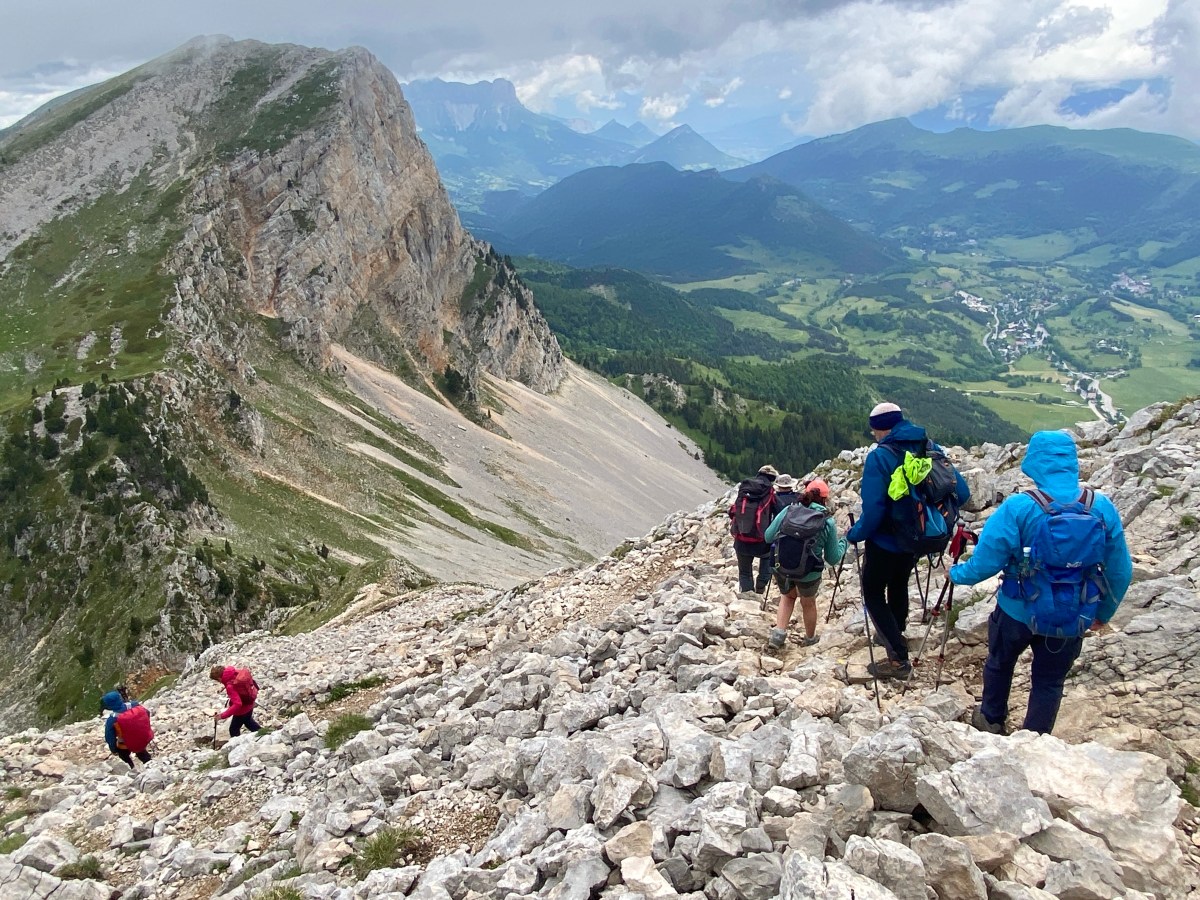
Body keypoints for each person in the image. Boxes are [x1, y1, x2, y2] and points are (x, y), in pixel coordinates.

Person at [949, 430, 1132, 734]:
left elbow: (986, 562)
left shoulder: (1019, 507)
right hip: (1072, 612)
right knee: (1049, 681)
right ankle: (1035, 739)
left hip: (1016, 609)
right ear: (1072, 462)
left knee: (999, 663)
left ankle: (991, 720)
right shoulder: (1100, 507)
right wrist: (1103, 613)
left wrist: (956, 574)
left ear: (1034, 462)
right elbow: (1120, 570)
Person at [846, 402, 970, 679]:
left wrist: (855, 534)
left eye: (874, 431)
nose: (874, 436)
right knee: (899, 583)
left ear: (880, 429)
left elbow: (875, 509)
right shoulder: (930, 447)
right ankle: (896, 630)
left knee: (873, 592)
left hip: (887, 539)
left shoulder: (881, 456)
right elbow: (961, 493)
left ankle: (897, 658)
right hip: (920, 537)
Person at [764, 478, 847, 649]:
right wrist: (845, 541)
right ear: (825, 499)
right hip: (809, 571)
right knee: (808, 602)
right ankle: (810, 639)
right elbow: (833, 558)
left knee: (787, 597)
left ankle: (778, 634)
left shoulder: (789, 510)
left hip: (782, 566)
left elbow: (768, 536)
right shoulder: (827, 522)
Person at [730, 464, 782, 597]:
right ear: (772, 478)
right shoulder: (769, 492)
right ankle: (760, 588)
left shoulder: (745, 488)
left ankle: (747, 597)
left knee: (744, 572)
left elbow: (734, 510)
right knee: (767, 561)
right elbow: (780, 512)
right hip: (761, 539)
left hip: (741, 537)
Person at [101, 686, 153, 769]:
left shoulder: (112, 719)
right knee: (141, 750)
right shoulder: (134, 705)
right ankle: (149, 763)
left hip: (125, 744)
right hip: (141, 737)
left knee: (123, 755)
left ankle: (131, 767)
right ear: (120, 698)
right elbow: (147, 713)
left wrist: (114, 749)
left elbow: (109, 737)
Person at [211, 665, 261, 737]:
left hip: (243, 709)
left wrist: (222, 716)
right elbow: (233, 682)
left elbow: (237, 704)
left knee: (233, 730)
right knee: (249, 722)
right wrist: (224, 686)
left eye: (218, 680)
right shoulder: (234, 672)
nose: (219, 682)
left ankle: (237, 745)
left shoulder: (230, 686)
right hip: (250, 701)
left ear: (219, 678)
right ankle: (264, 733)